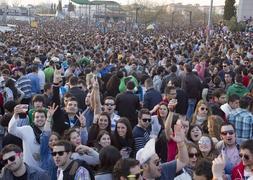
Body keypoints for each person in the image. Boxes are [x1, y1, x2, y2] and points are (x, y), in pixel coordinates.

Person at [8, 103, 57, 168]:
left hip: (45, 170)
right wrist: (15, 115)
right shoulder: (27, 129)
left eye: (42, 117)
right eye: (37, 117)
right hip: (29, 168)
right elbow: (11, 130)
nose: (40, 119)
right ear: (33, 120)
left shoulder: (50, 133)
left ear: (46, 119)